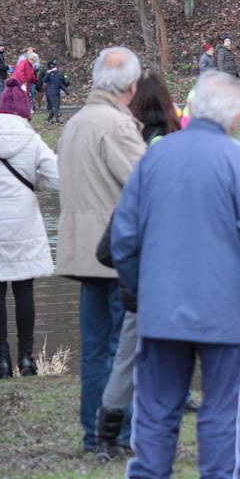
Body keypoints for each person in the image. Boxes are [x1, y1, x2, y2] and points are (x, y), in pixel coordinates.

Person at [113, 70, 240, 479]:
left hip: (160, 312)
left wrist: (139, 292)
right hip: (224, 316)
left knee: (156, 410)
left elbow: (123, 236)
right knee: (223, 412)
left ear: (192, 109)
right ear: (236, 118)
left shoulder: (154, 158)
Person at [56, 46, 146, 453]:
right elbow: (146, 184)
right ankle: (120, 434)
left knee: (94, 351)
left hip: (83, 251)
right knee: (120, 350)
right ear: (130, 85)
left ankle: (93, 435)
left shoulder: (75, 123)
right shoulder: (116, 125)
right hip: (117, 254)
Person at [93, 70, 184, 460]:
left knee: (127, 355)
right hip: (166, 269)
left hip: (139, 269)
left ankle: (107, 439)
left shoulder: (134, 144)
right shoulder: (172, 146)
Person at [0, 79, 59, 379]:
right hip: (22, 223)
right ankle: (27, 359)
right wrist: (33, 183)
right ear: (24, 112)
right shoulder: (32, 141)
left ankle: (1, 360)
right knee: (23, 288)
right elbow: (58, 179)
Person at [43, 60, 69, 125]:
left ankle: (48, 120)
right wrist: (48, 73)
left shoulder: (58, 73)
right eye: (51, 66)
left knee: (55, 107)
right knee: (55, 106)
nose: (53, 67)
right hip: (50, 92)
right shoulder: (48, 73)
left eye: (54, 66)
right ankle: (58, 118)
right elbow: (45, 80)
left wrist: (66, 91)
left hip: (57, 92)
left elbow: (61, 84)